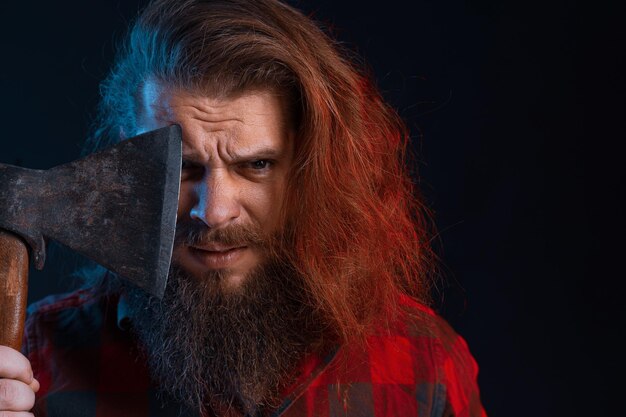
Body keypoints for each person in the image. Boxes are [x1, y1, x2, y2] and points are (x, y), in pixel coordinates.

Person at [0, 0, 486, 416]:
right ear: (124, 157)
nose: (214, 212)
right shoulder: (32, 358)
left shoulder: (423, 363)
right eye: (184, 168)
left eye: (256, 165)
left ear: (312, 167)